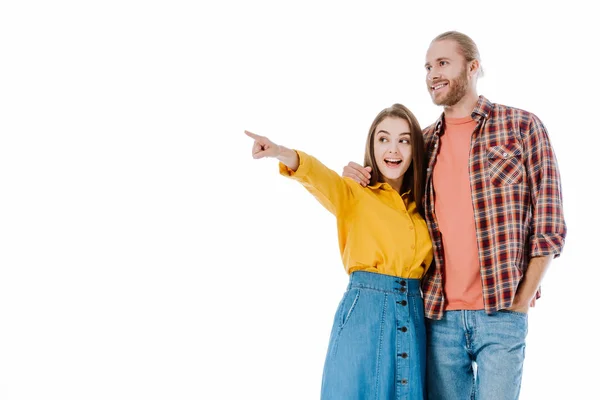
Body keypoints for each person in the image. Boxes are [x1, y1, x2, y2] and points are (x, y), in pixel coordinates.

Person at [341, 31, 567, 400]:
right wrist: (360, 176)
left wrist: (522, 300)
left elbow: (550, 223)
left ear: (473, 67)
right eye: (428, 66)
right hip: (437, 317)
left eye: (443, 63)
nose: (433, 74)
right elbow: (395, 204)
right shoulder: (424, 142)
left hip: (502, 310)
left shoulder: (522, 127)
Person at [245, 103, 433, 399]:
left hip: (413, 316)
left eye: (404, 140)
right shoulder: (354, 193)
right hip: (365, 315)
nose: (393, 149)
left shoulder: (421, 208)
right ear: (372, 145)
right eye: (383, 139)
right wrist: (280, 152)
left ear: (415, 149)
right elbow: (318, 176)